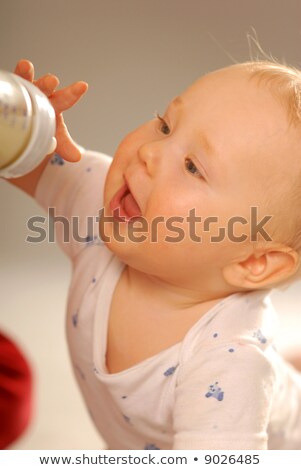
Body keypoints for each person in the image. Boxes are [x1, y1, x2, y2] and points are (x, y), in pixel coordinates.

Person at [2, 57, 301, 450]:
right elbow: (30, 163)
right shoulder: (101, 204)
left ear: (252, 261)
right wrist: (30, 130)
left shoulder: (228, 367)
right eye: (164, 125)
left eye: (193, 167)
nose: (151, 152)